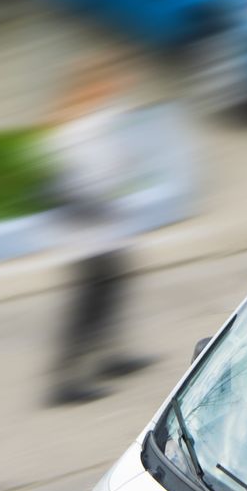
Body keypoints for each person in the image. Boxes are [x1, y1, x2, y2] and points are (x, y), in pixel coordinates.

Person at [45, 51, 153, 405]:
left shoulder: (97, 120)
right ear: (92, 85)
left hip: (106, 229)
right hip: (87, 235)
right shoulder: (71, 131)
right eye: (110, 80)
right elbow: (73, 187)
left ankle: (109, 357)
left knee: (112, 292)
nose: (117, 86)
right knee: (86, 306)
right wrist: (102, 203)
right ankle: (62, 381)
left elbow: (121, 158)